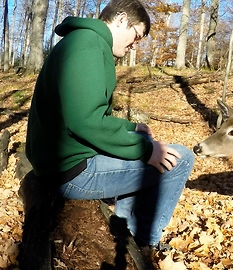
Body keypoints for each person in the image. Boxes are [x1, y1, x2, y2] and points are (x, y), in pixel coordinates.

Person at [25, 0, 194, 253]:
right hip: (70, 173)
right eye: (136, 35)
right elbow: (86, 121)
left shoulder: (82, 41)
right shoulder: (89, 46)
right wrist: (146, 151)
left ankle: (125, 227)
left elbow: (82, 112)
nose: (134, 44)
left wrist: (130, 128)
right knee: (181, 159)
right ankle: (146, 240)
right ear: (122, 19)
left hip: (59, 162)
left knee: (146, 144)